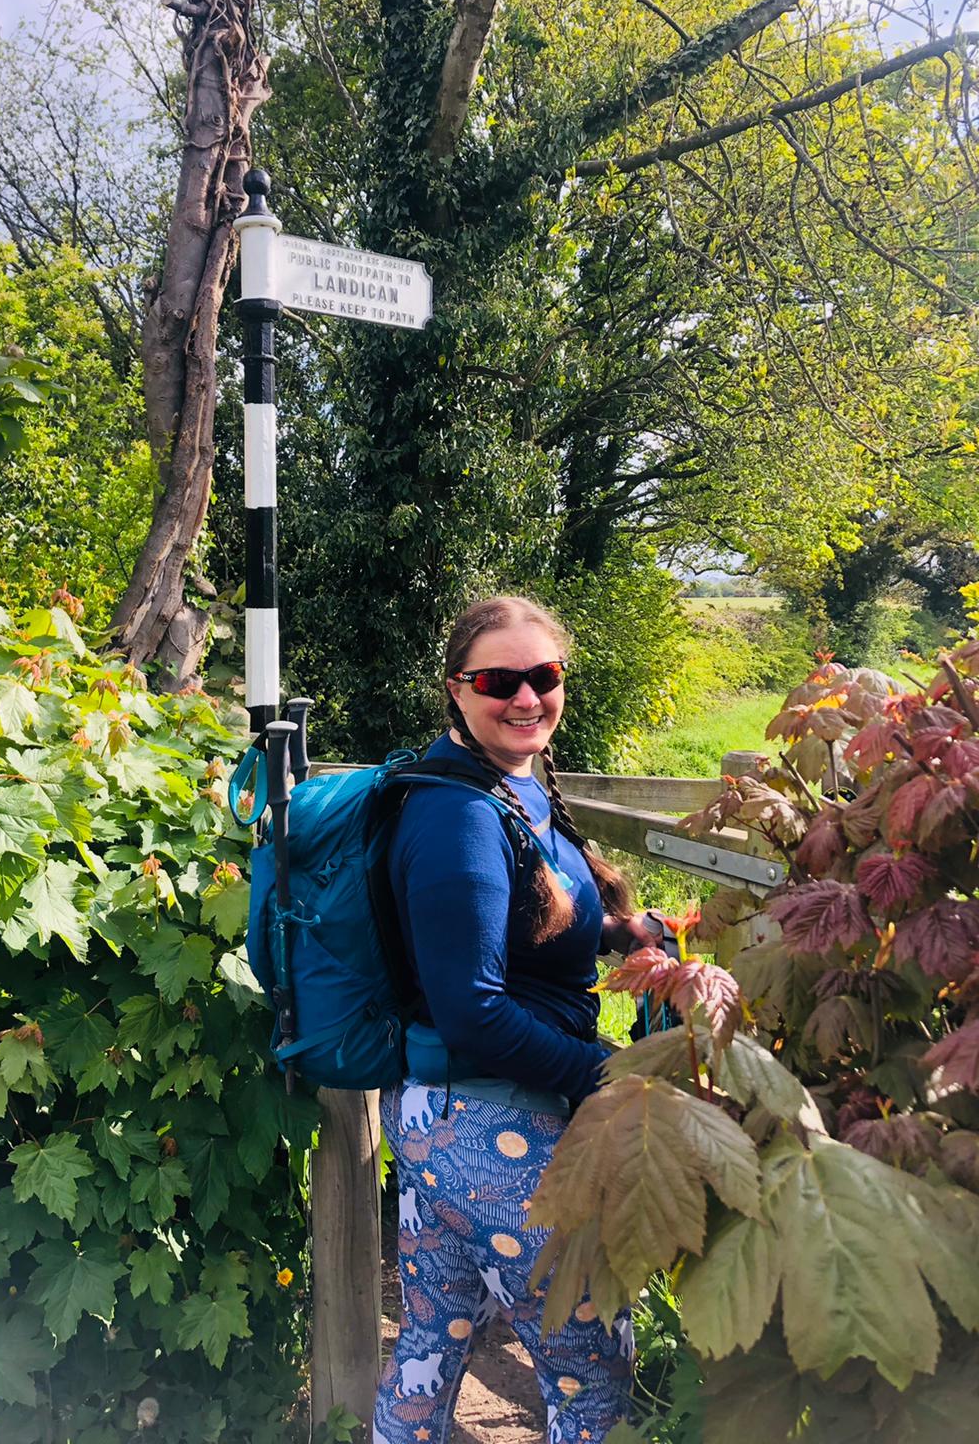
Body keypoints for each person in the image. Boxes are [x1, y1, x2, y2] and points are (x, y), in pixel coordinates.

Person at [373, 595, 655, 1444]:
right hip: (496, 1127)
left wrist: (619, 934)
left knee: (430, 1342)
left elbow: (524, 928)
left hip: (443, 1123)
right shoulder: (457, 815)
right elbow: (475, 1011)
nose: (527, 697)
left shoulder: (509, 789)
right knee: (595, 1380)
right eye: (500, 680)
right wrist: (611, 1074)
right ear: (456, 689)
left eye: (545, 676)